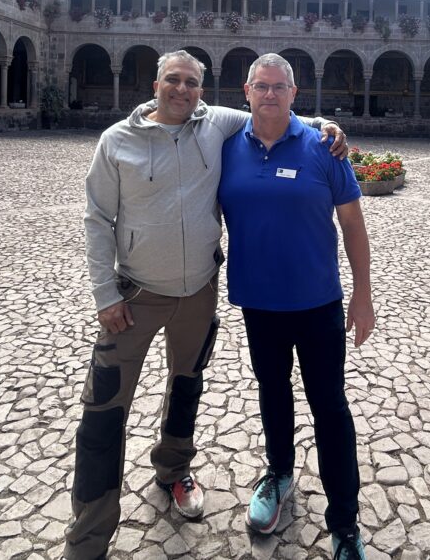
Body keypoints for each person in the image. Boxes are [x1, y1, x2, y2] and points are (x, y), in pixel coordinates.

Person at [67, 50, 346, 560]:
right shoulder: (116, 141)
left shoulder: (214, 122)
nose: (182, 89)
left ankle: (173, 471)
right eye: (172, 80)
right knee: (104, 410)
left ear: (204, 89)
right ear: (155, 84)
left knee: (186, 385)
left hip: (198, 291)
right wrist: (104, 294)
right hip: (135, 294)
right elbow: (95, 219)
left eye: (192, 82)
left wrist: (324, 124)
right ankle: (87, 539)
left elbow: (276, 110)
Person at [218, 52, 375, 560]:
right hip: (258, 303)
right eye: (260, 86)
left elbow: (353, 225)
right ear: (246, 92)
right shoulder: (224, 146)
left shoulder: (325, 147)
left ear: (294, 93)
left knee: (330, 407)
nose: (269, 94)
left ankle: (345, 522)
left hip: (318, 304)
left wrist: (364, 295)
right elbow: (172, 111)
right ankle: (279, 474)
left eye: (278, 87)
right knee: (272, 393)